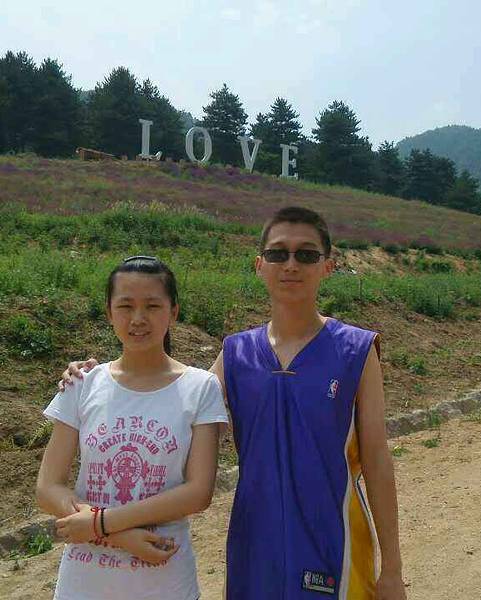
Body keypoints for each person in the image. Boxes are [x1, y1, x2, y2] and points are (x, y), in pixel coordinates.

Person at [60, 207, 407, 600]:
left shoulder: (356, 350)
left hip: (335, 540)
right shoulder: (237, 353)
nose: (291, 265)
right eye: (278, 253)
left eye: (306, 254)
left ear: (328, 266)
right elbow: (171, 401)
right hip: (254, 543)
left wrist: (392, 569)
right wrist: (99, 376)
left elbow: (377, 460)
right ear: (260, 265)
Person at [38, 256, 228, 600]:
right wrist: (117, 535)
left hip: (165, 583)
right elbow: (48, 486)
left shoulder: (200, 387)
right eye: (125, 306)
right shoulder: (83, 383)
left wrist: (99, 523)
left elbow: (199, 492)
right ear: (109, 313)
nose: (138, 318)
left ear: (173, 312)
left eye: (152, 306)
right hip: (83, 585)